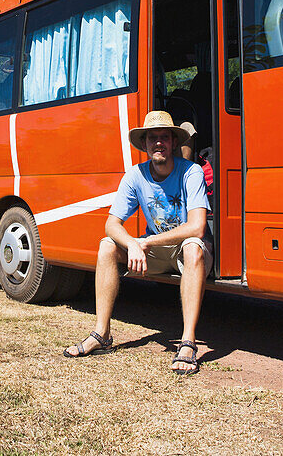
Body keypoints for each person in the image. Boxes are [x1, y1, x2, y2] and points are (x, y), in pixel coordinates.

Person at [63, 110, 212, 375]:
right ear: (144, 144)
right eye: (152, 138)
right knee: (107, 245)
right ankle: (101, 334)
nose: (158, 143)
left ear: (174, 142)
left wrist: (148, 241)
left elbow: (198, 227)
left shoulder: (192, 172)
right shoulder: (135, 175)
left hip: (188, 251)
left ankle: (188, 342)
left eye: (164, 137)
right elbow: (111, 224)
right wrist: (132, 244)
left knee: (192, 247)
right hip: (153, 251)